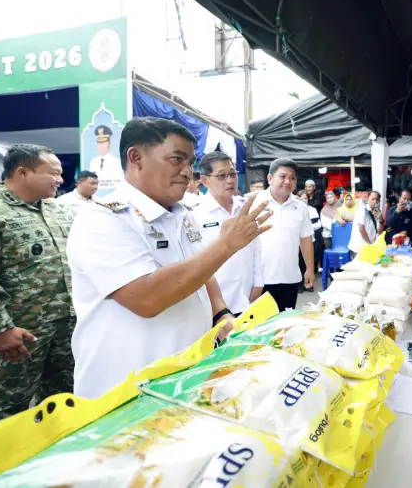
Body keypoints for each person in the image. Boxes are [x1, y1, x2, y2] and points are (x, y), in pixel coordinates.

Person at [67, 117, 271, 399]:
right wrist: (226, 245)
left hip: (181, 377)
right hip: (127, 387)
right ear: (135, 157)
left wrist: (220, 312)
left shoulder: (181, 214)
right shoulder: (102, 219)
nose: (188, 172)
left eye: (191, 162)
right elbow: (146, 297)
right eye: (177, 159)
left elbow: (200, 268)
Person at [0, 143, 76, 428]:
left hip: (66, 329)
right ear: (23, 172)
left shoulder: (60, 211)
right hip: (19, 333)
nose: (60, 180)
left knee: (63, 403)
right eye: (53, 173)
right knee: (2, 412)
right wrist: (1, 329)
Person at [191, 152, 263, 316]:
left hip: (247, 298)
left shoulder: (245, 208)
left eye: (232, 174)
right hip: (215, 305)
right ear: (205, 180)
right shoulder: (195, 214)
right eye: (222, 176)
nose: (230, 180)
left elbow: (256, 247)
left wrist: (258, 282)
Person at [256, 158, 315, 311]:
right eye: (282, 176)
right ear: (270, 178)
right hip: (259, 279)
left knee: (284, 327)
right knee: (259, 329)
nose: (288, 181)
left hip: (290, 278)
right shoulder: (255, 203)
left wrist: (309, 269)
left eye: (292, 178)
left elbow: (306, 238)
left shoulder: (301, 207)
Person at [297, 191, 322, 292]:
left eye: (305, 199)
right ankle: (299, 285)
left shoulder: (312, 210)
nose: (304, 201)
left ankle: (309, 284)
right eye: (301, 199)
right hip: (297, 242)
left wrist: (307, 227)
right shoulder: (295, 210)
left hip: (310, 239)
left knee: (308, 264)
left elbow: (318, 224)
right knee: (299, 264)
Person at [348, 191, 383, 259]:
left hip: (369, 247)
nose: (375, 201)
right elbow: (361, 229)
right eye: (373, 199)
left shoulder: (377, 212)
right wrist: (370, 244)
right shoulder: (362, 210)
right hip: (359, 248)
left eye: (377, 200)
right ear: (367, 199)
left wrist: (381, 219)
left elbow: (379, 232)